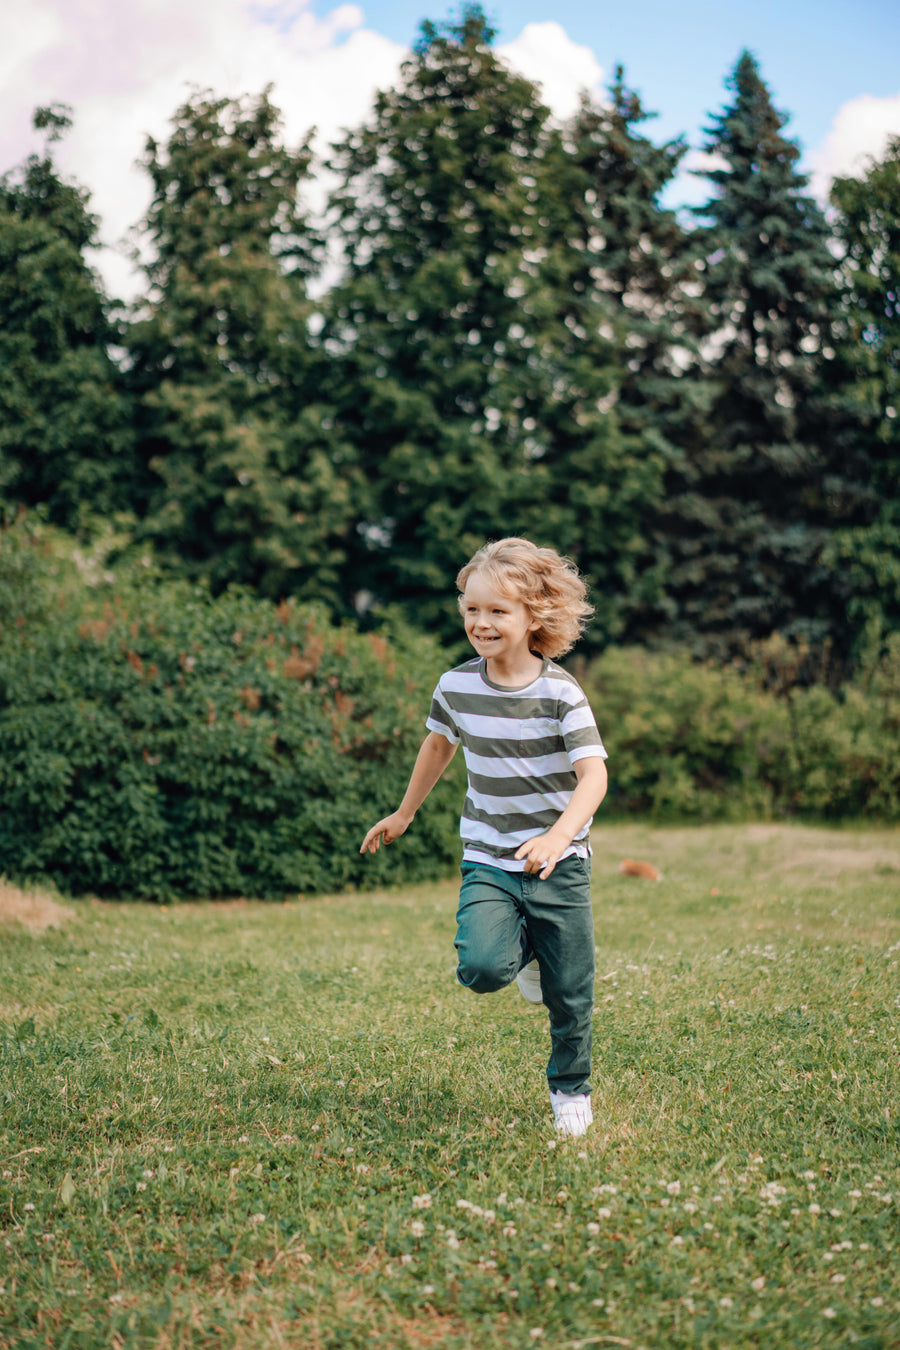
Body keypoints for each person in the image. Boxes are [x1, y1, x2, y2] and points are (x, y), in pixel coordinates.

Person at [360, 537, 608, 1137]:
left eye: (498, 610)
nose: (481, 622)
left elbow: (594, 774)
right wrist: (404, 812)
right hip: (489, 857)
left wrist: (557, 837)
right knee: (479, 967)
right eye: (472, 609)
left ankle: (569, 1090)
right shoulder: (457, 686)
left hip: (559, 862)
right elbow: (439, 745)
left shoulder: (560, 692)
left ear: (533, 617)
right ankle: (520, 954)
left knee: (570, 990)